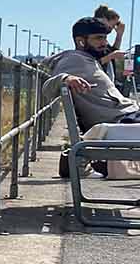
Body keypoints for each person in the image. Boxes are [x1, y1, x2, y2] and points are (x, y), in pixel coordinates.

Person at [43, 17, 140, 176]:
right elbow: (47, 88)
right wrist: (66, 78)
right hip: (119, 122)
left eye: (105, 37)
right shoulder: (73, 59)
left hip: (128, 119)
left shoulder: (89, 59)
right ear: (81, 41)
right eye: (98, 38)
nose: (104, 42)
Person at [93, 4, 127, 85]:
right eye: (113, 24)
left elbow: (112, 52)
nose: (113, 28)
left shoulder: (103, 39)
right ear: (105, 19)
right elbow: (92, 63)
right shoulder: (93, 37)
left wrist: (119, 35)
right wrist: (112, 56)